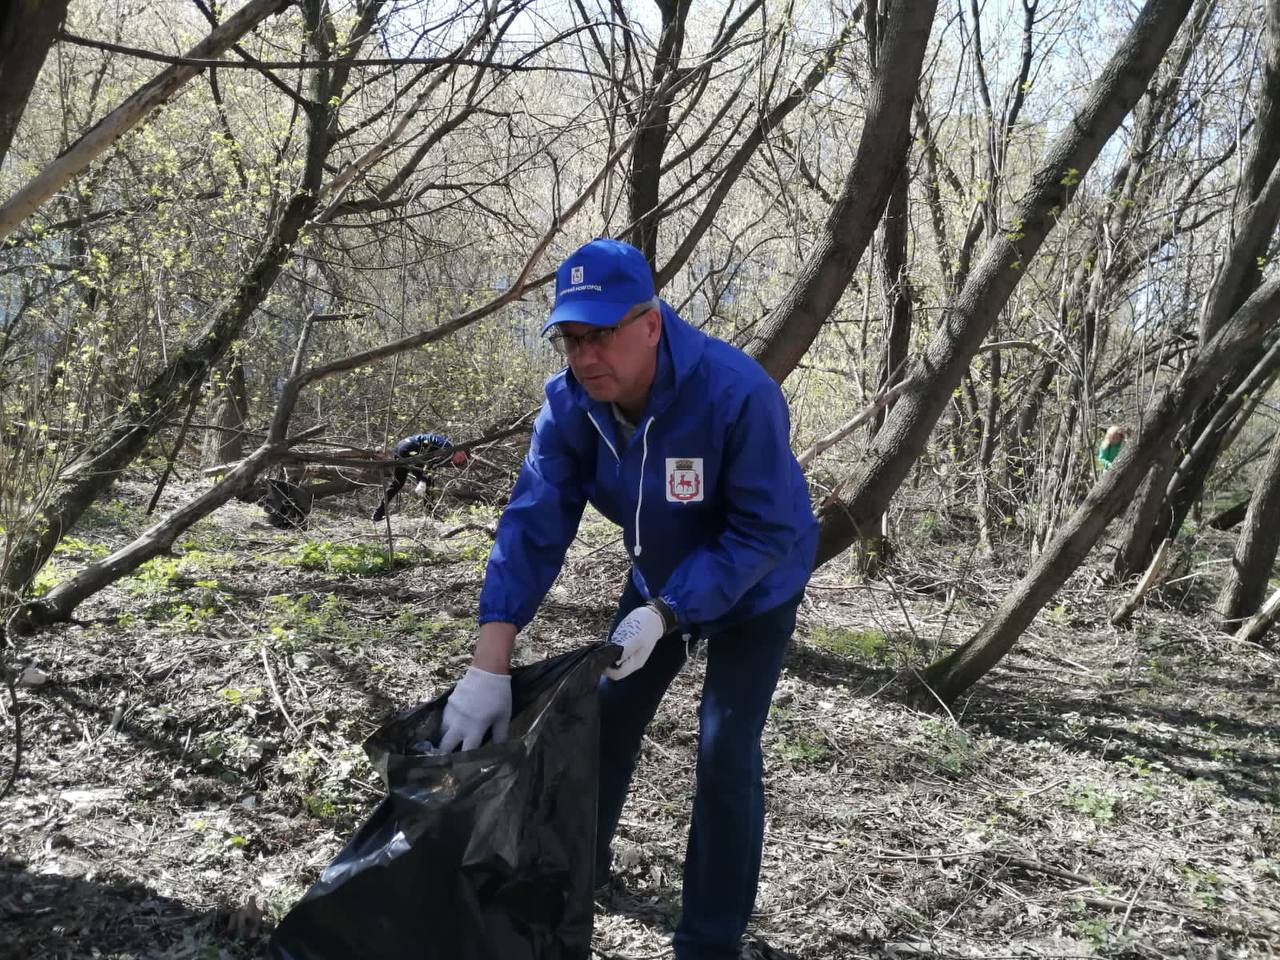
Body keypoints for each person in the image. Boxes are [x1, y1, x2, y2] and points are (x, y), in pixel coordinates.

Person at [437, 238, 818, 960]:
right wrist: (490, 661)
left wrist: (672, 613)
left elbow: (765, 527)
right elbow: (534, 523)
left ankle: (708, 942)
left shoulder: (737, 394)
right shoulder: (571, 408)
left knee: (725, 749)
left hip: (759, 581)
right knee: (604, 724)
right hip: (657, 576)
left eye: (601, 333)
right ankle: (574, 883)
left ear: (649, 322)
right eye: (570, 339)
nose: (585, 356)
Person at [371, 432, 467, 521]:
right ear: (459, 450)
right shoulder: (448, 451)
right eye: (461, 457)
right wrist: (423, 481)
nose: (459, 461)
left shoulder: (448, 445)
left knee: (397, 484)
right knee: (429, 484)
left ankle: (378, 514)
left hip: (401, 446)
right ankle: (429, 515)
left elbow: (430, 461)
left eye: (462, 461)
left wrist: (423, 480)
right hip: (411, 449)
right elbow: (431, 465)